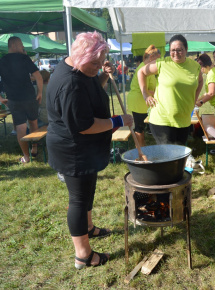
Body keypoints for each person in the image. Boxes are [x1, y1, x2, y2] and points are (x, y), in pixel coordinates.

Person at [46, 31, 133, 269]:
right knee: (78, 199)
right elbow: (84, 126)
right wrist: (118, 121)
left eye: (100, 62)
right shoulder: (70, 83)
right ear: (79, 56)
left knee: (87, 191)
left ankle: (88, 228)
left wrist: (102, 76)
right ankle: (83, 255)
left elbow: (91, 90)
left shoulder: (80, 69)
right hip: (73, 150)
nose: (97, 67)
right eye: (94, 63)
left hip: (85, 149)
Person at [138, 34, 203, 145]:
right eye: (172, 50)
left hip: (184, 119)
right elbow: (142, 72)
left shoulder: (195, 66)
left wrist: (194, 99)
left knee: (179, 155)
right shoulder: (162, 63)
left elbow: (200, 82)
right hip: (162, 119)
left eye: (179, 50)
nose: (175, 53)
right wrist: (145, 94)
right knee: (168, 157)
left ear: (186, 49)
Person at [0, 36, 43, 163]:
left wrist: (0, 98)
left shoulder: (2, 61)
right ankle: (34, 148)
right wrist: (40, 92)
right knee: (33, 123)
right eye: (20, 44)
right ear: (13, 45)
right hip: (30, 97)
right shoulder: (24, 58)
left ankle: (26, 156)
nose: (22, 47)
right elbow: (38, 76)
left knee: (20, 127)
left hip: (13, 99)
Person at [127, 45, 160, 147]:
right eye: (157, 60)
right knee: (139, 128)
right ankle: (141, 149)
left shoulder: (147, 68)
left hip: (141, 101)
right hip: (139, 102)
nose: (158, 63)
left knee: (141, 127)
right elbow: (145, 90)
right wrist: (158, 93)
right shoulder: (143, 68)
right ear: (151, 58)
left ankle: (142, 147)